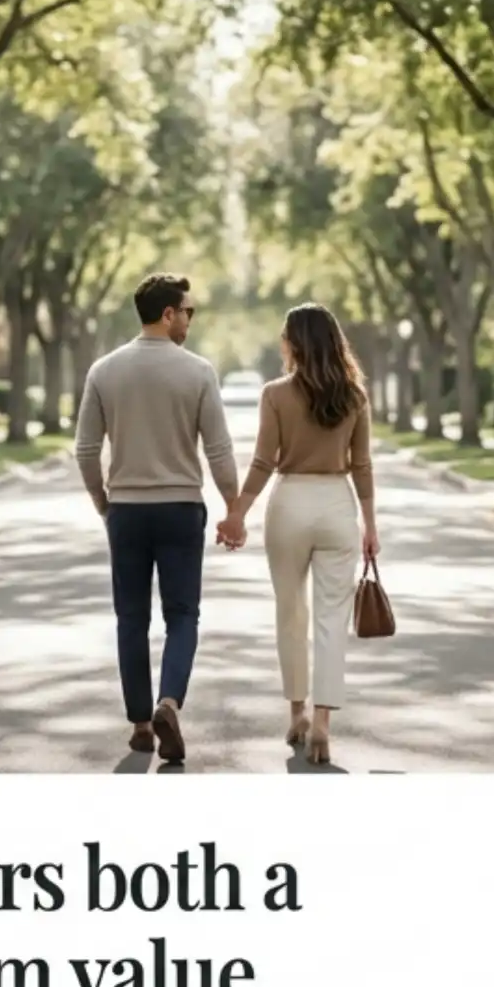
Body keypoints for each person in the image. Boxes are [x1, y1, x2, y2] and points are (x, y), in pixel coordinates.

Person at [74, 273, 240, 765]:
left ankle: (142, 725)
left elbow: (86, 450)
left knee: (130, 618)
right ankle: (169, 700)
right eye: (188, 310)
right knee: (182, 615)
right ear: (167, 314)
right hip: (180, 509)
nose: (191, 318)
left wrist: (104, 503)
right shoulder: (198, 372)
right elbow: (219, 451)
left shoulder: (104, 371)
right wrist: (235, 508)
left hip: (126, 511)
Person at [216, 303, 377, 766]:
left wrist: (238, 514)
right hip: (337, 505)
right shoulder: (355, 396)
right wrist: (370, 525)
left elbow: (264, 461)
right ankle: (324, 724)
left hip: (289, 506)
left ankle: (297, 715)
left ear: (295, 343)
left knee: (291, 613)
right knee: (331, 620)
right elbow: (362, 465)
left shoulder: (276, 394)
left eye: (284, 336)